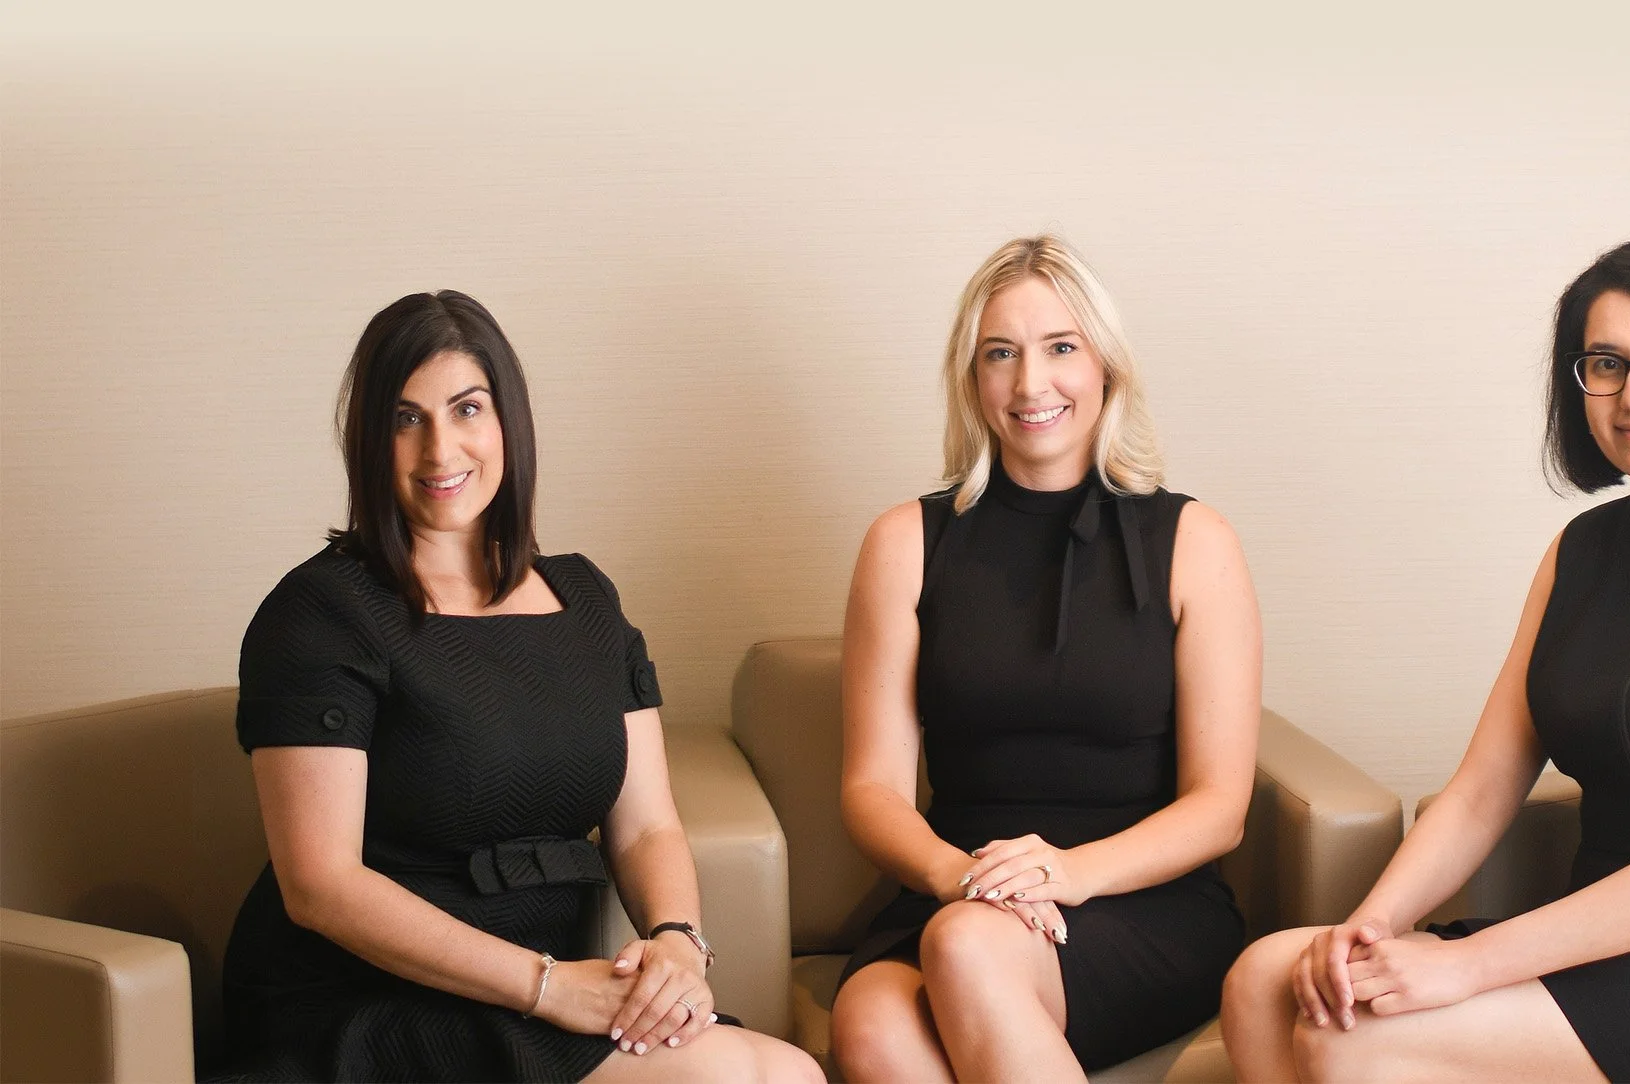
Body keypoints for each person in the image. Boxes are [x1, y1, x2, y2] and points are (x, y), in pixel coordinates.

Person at [1220, 238, 1630, 1082]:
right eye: (1606, 364)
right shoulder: (1581, 549)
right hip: (1605, 939)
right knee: (1263, 980)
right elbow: (1483, 788)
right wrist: (1374, 925)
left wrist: (1466, 962)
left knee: (1352, 1040)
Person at [217, 291, 819, 1083]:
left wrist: (677, 941)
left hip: (551, 988)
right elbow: (321, 887)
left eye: (467, 409)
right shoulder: (321, 613)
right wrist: (546, 988)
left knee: (792, 1074)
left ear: (510, 423)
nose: (441, 450)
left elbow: (645, 828)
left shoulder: (586, 600)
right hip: (365, 1003)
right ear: (369, 440)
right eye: (406, 419)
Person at [829, 236, 1264, 1081]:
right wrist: (962, 878)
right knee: (873, 1026)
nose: (1031, 384)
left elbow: (1220, 808)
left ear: (1106, 366)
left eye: (1060, 348)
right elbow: (870, 789)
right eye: (1002, 354)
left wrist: (1068, 874)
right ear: (973, 379)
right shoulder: (903, 543)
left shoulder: (1194, 542)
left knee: (966, 948)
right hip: (956, 881)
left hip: (1142, 900)